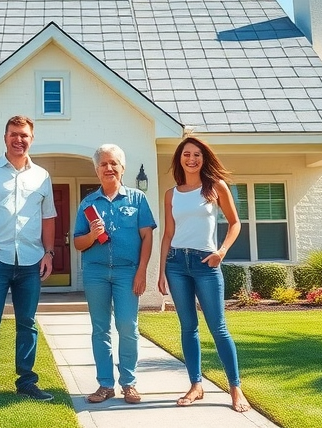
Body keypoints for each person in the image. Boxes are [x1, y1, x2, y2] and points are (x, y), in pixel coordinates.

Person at [0, 115, 57, 407]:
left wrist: (49, 252)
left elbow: (48, 217)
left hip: (31, 261)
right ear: (4, 137)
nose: (19, 140)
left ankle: (26, 382)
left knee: (28, 324)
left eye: (24, 135)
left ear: (32, 138)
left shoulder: (42, 176)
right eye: (13, 134)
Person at [156, 136, 251, 412]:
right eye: (187, 154)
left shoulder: (215, 187)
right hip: (176, 264)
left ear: (203, 158)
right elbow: (168, 234)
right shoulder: (171, 194)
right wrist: (161, 270)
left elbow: (235, 223)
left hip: (206, 263)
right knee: (188, 328)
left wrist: (221, 252)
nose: (192, 159)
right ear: (180, 159)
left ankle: (235, 388)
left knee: (219, 328)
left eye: (197, 154)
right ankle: (196, 385)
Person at [73, 144, 156, 405]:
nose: (109, 168)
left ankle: (129, 383)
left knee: (127, 326)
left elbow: (147, 236)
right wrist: (92, 235)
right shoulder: (88, 203)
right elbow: (77, 243)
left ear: (122, 168)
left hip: (127, 272)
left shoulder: (137, 199)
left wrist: (142, 271)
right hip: (96, 272)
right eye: (103, 164)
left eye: (114, 163)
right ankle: (105, 385)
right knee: (100, 329)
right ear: (96, 170)